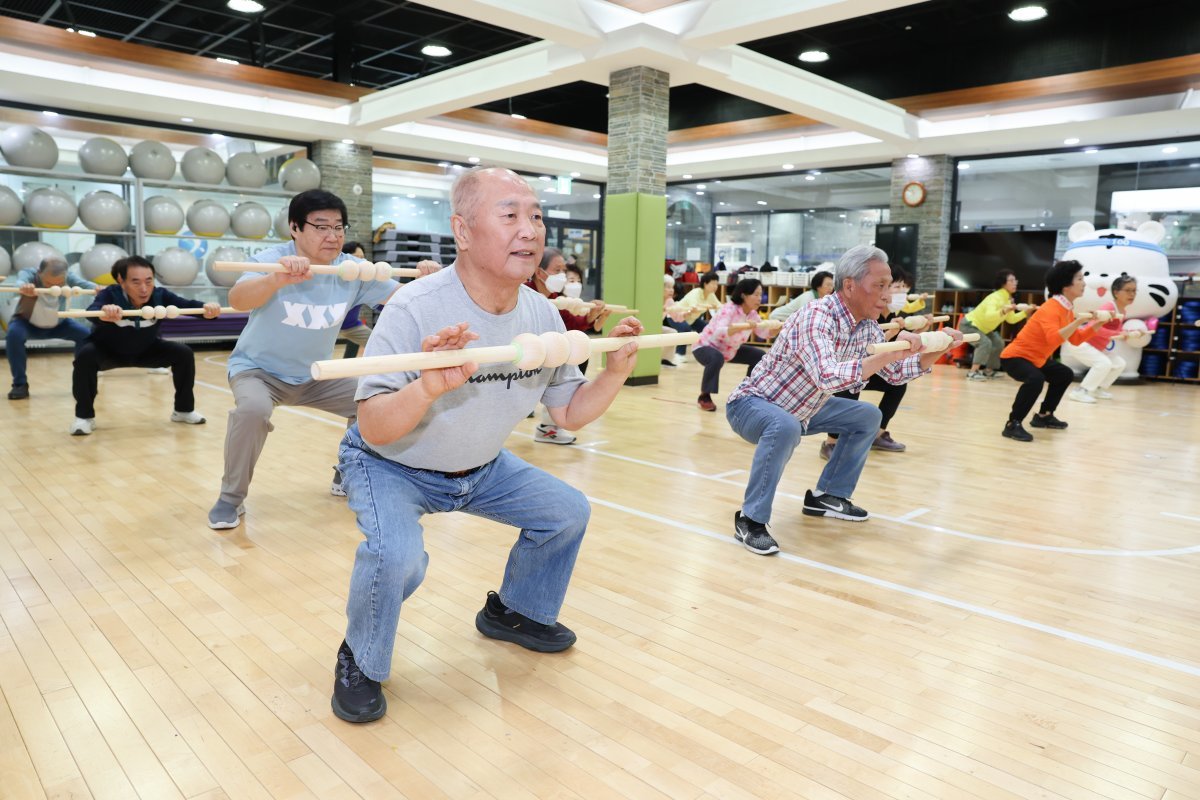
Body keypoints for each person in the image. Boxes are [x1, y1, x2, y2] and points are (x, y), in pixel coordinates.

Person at [330, 167, 643, 723]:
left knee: (565, 512)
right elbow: (373, 427)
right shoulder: (415, 306)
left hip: (481, 468)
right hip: (391, 465)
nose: (530, 229)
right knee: (397, 557)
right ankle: (360, 657)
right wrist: (429, 385)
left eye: (536, 215)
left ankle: (514, 612)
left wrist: (614, 373)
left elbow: (568, 412)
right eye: (510, 215)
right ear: (464, 230)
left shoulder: (541, 313)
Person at [207, 189, 430, 530]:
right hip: (259, 371)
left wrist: (427, 281)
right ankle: (230, 498)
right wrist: (276, 278)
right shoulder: (273, 259)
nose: (333, 236)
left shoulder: (352, 270)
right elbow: (238, 299)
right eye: (321, 227)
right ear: (295, 228)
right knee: (252, 411)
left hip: (317, 375)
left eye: (338, 228)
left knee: (375, 397)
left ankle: (346, 470)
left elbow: (403, 300)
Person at [724, 245, 960, 555]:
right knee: (784, 426)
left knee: (866, 417)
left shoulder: (867, 328)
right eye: (880, 286)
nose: (888, 296)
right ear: (850, 285)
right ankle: (750, 519)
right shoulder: (816, 316)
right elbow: (828, 376)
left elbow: (896, 374)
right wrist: (897, 350)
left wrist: (937, 348)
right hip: (753, 405)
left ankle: (828, 496)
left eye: (888, 286)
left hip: (806, 409)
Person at [69, 255, 220, 435]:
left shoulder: (160, 295)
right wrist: (104, 312)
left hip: (146, 350)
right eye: (136, 282)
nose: (144, 288)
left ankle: (183, 410)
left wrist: (209, 309)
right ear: (121, 280)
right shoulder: (111, 293)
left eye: (148, 281)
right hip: (107, 351)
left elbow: (188, 306)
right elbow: (92, 311)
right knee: (85, 355)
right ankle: (84, 417)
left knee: (183, 353)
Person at [818, 267, 927, 459]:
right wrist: (891, 335)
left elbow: (887, 353)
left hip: (868, 365)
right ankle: (831, 442)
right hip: (845, 368)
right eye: (896, 286)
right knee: (852, 383)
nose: (901, 292)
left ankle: (878, 433)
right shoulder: (862, 311)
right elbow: (863, 348)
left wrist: (917, 334)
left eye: (904, 287)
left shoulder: (892, 316)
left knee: (897, 385)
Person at [998, 259, 1104, 442]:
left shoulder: (1066, 309)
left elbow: (1076, 339)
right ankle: (1012, 424)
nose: (1084, 283)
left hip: (1036, 358)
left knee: (1063, 374)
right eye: (1079, 278)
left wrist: (1099, 322)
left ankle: (1044, 416)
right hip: (1015, 357)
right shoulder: (1051, 308)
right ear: (1065, 286)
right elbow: (1055, 338)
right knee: (1035, 379)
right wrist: (1079, 321)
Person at [526, 246, 609, 444]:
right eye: (557, 270)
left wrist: (591, 317)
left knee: (574, 357)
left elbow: (569, 324)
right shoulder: (526, 294)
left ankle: (549, 426)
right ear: (539, 272)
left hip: (546, 356)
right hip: (526, 354)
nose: (562, 276)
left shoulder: (555, 299)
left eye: (564, 270)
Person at [6, 257, 95, 400]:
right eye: (48, 283)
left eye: (59, 284)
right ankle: (19, 384)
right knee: (13, 335)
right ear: (39, 273)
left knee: (86, 335)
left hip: (59, 324)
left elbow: (85, 285)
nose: (53, 287)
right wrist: (24, 287)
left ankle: (82, 382)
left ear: (65, 276)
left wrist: (97, 288)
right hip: (26, 322)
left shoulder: (69, 277)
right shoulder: (29, 274)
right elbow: (20, 281)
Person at [692, 278, 777, 412]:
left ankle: (748, 392)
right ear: (744, 295)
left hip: (729, 350)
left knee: (759, 356)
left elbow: (763, 332)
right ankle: (704, 397)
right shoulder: (730, 309)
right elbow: (718, 332)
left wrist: (774, 329)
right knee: (716, 357)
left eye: (761, 295)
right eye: (756, 294)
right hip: (705, 346)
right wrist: (738, 328)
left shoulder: (752, 314)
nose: (759, 298)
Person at [1064, 273, 1136, 403]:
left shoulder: (1122, 311)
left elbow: (1116, 330)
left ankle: (1097, 388)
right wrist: (1115, 335)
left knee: (1119, 364)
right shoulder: (1109, 307)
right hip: (1082, 342)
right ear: (1116, 292)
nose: (1132, 294)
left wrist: (1128, 333)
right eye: (1128, 290)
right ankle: (1081, 391)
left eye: (1134, 291)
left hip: (1097, 346)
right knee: (1103, 363)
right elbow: (1094, 327)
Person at [960, 269, 1028, 380]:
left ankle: (989, 371)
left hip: (983, 329)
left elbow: (1011, 319)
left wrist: (1025, 313)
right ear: (1003, 283)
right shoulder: (995, 297)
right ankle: (972, 372)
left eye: (1015, 280)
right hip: (969, 325)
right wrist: (1004, 311)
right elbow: (989, 316)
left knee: (998, 343)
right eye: (1011, 280)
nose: (1015, 283)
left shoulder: (1008, 299)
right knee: (985, 343)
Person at [664, 270, 722, 363]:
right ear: (705, 283)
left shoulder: (711, 295)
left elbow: (719, 306)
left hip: (691, 318)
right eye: (713, 283)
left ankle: (709, 350)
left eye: (716, 284)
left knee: (707, 329)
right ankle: (679, 354)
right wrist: (708, 306)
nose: (715, 286)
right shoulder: (696, 292)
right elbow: (694, 307)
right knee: (685, 329)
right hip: (676, 316)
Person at [337, 241, 373, 357]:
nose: (361, 261)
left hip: (351, 326)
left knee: (376, 341)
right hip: (328, 326)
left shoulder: (363, 281)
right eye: (356, 257)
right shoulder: (334, 278)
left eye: (363, 258)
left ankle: (347, 367)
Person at [769, 268, 833, 322]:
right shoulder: (809, 297)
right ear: (818, 286)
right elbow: (805, 319)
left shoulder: (823, 299)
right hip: (777, 319)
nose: (831, 288)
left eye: (832, 285)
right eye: (828, 285)